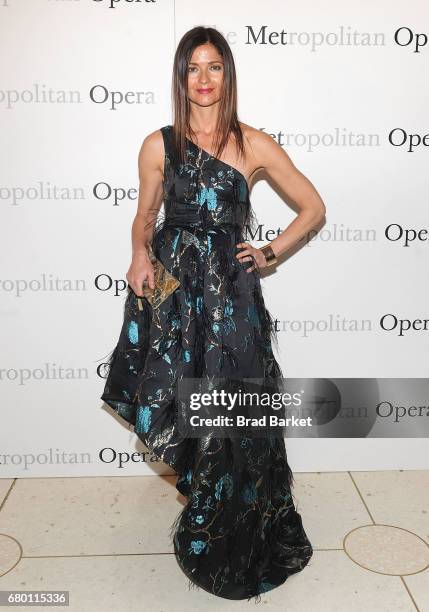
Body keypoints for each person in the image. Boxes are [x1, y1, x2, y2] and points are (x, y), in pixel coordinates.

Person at [101, 25, 325, 603]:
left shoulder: (253, 143)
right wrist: (136, 256)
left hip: (231, 299)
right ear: (181, 77)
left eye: (214, 67)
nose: (203, 80)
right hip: (176, 298)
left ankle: (239, 526)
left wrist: (269, 252)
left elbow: (313, 207)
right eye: (193, 68)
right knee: (181, 400)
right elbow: (145, 215)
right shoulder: (159, 144)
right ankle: (203, 508)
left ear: (228, 74)